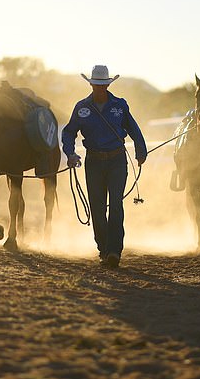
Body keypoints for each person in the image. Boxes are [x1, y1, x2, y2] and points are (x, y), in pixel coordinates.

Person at [62, 65, 147, 268]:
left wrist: (140, 151)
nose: (100, 88)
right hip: (93, 162)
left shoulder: (120, 105)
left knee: (116, 205)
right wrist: (70, 153)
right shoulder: (81, 107)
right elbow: (69, 132)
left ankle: (114, 251)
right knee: (98, 207)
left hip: (117, 161)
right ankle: (103, 249)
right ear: (91, 84)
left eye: (103, 85)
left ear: (108, 85)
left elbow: (133, 128)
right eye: (97, 85)